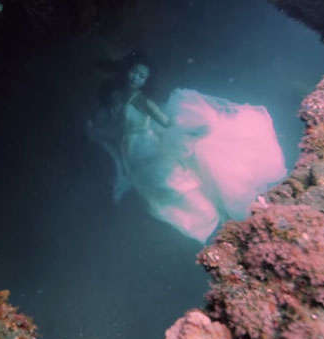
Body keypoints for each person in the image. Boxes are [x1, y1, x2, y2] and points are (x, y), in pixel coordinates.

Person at [87, 52, 286, 243]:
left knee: (172, 182)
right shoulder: (117, 95)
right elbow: (116, 124)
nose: (136, 78)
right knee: (154, 187)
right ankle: (212, 219)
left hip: (146, 147)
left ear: (146, 80)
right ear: (127, 70)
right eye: (134, 72)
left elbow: (165, 121)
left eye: (141, 76)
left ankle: (211, 219)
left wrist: (192, 130)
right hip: (131, 149)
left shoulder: (142, 101)